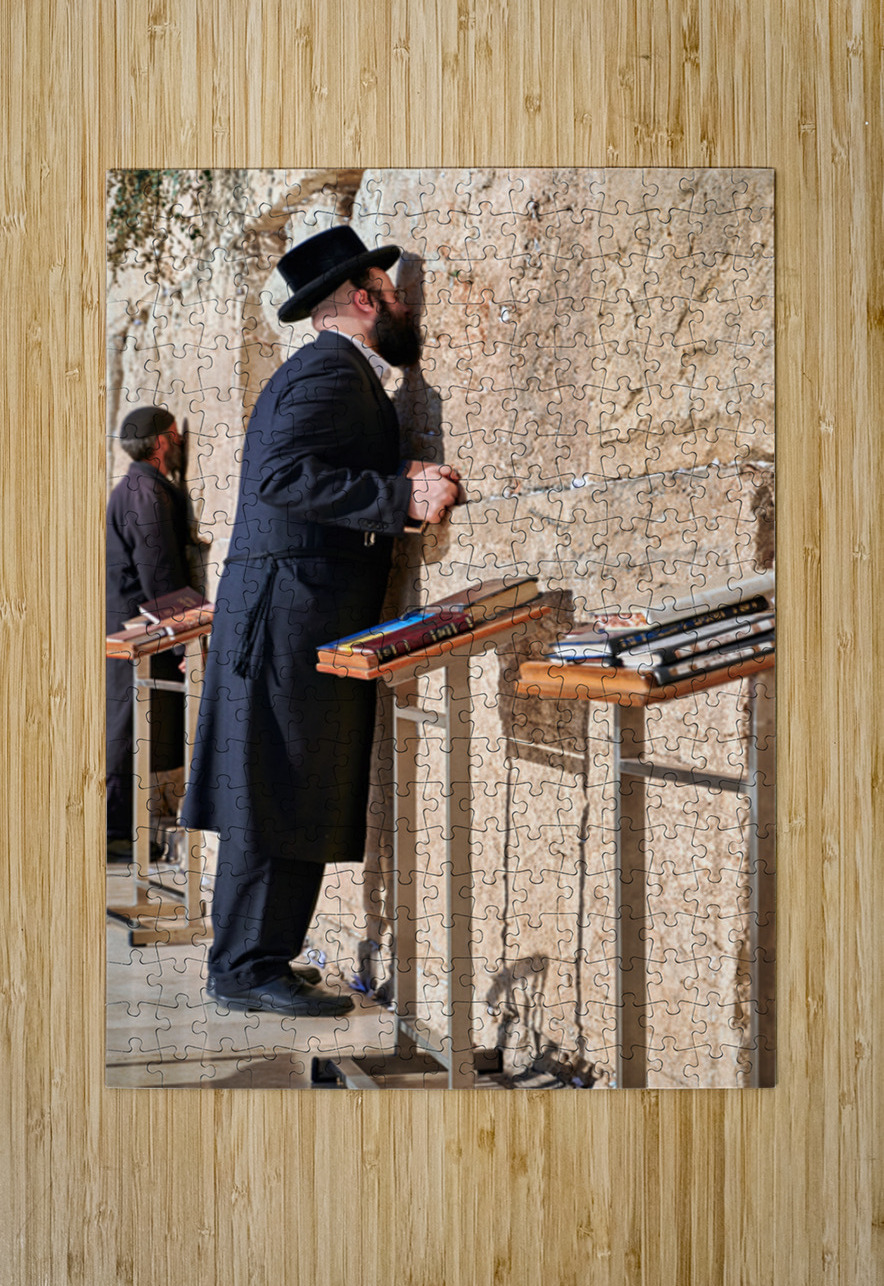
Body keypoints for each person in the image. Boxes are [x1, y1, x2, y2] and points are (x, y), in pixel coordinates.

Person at [181, 226, 461, 1017]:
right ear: (364, 298)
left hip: (295, 612)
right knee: (274, 787)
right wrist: (398, 496)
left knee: (289, 787)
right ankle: (243, 968)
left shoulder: (334, 373)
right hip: (287, 616)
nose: (404, 307)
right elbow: (281, 477)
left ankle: (258, 957)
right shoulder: (328, 372)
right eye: (393, 293)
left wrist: (394, 475)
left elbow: (316, 469)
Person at [106, 406, 191, 860]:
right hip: (141, 630)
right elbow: (158, 573)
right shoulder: (144, 492)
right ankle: (114, 831)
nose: (180, 445)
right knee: (128, 726)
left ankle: (119, 829)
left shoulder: (137, 487)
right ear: (160, 441)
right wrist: (183, 637)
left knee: (131, 723)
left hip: (137, 627)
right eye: (176, 436)